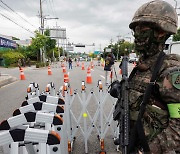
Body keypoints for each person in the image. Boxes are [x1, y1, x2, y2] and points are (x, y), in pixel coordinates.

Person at [127, 0, 180, 153]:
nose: (137, 34)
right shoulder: (143, 68)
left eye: (142, 29)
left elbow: (178, 129)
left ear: (161, 32)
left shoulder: (170, 72)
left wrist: (148, 150)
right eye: (135, 30)